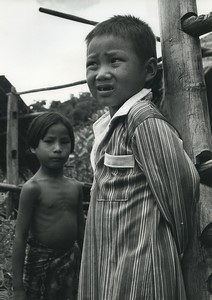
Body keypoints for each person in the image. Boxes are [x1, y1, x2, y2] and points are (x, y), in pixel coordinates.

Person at [78, 15, 200, 300]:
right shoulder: (110, 126)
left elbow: (182, 184)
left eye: (115, 61)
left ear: (148, 70)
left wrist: (171, 245)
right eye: (92, 64)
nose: (101, 73)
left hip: (144, 265)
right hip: (113, 260)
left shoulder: (141, 120)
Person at [12, 112, 85, 300]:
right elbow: (20, 237)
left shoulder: (76, 187)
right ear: (34, 147)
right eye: (49, 141)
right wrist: (18, 287)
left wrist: (88, 264)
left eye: (64, 142)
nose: (58, 148)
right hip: (40, 264)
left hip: (71, 262)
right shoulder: (32, 188)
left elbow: (81, 230)